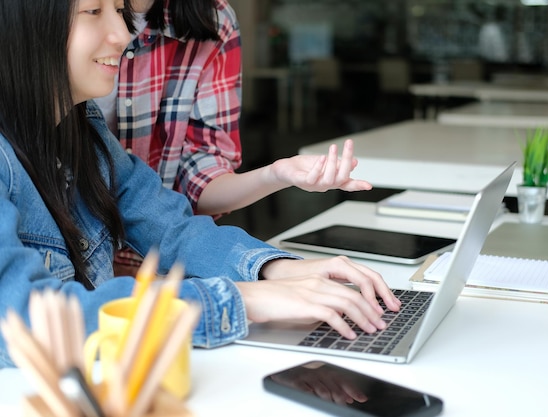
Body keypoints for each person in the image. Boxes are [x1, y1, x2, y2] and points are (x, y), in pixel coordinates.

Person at [0, 0, 400, 368]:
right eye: (92, 11)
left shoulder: (83, 129)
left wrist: (273, 269)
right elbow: (27, 319)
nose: (123, 34)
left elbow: (171, 227)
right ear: (25, 19)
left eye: (119, 10)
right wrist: (241, 299)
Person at [95, 0, 372, 274]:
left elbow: (164, 213)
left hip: (154, 260)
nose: (120, 37)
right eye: (93, 12)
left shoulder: (211, 17)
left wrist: (275, 175)